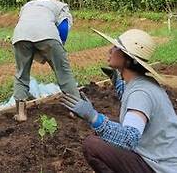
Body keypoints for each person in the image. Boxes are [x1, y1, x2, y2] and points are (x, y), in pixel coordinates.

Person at [62, 28, 177, 173]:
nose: (110, 50)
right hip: (160, 157)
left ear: (128, 59)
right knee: (109, 126)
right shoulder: (140, 83)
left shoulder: (140, 93)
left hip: (159, 167)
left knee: (92, 145)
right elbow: (133, 108)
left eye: (116, 47)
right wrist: (118, 82)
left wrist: (93, 117)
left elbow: (129, 138)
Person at [11, 0, 78, 121]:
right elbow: (63, 28)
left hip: (20, 35)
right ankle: (75, 110)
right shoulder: (59, 5)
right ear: (54, 0)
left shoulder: (28, 5)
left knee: (21, 73)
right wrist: (59, 48)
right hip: (47, 35)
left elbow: (26, 24)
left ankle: (21, 114)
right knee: (63, 72)